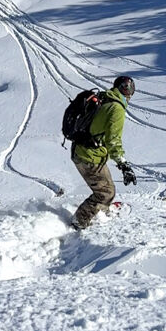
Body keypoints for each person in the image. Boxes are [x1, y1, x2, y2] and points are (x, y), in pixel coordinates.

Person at [71, 75, 137, 229]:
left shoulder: (103, 97)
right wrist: (124, 165)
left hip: (82, 149)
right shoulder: (117, 109)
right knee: (105, 193)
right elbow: (113, 141)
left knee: (106, 188)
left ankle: (101, 211)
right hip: (89, 156)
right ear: (128, 93)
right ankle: (78, 222)